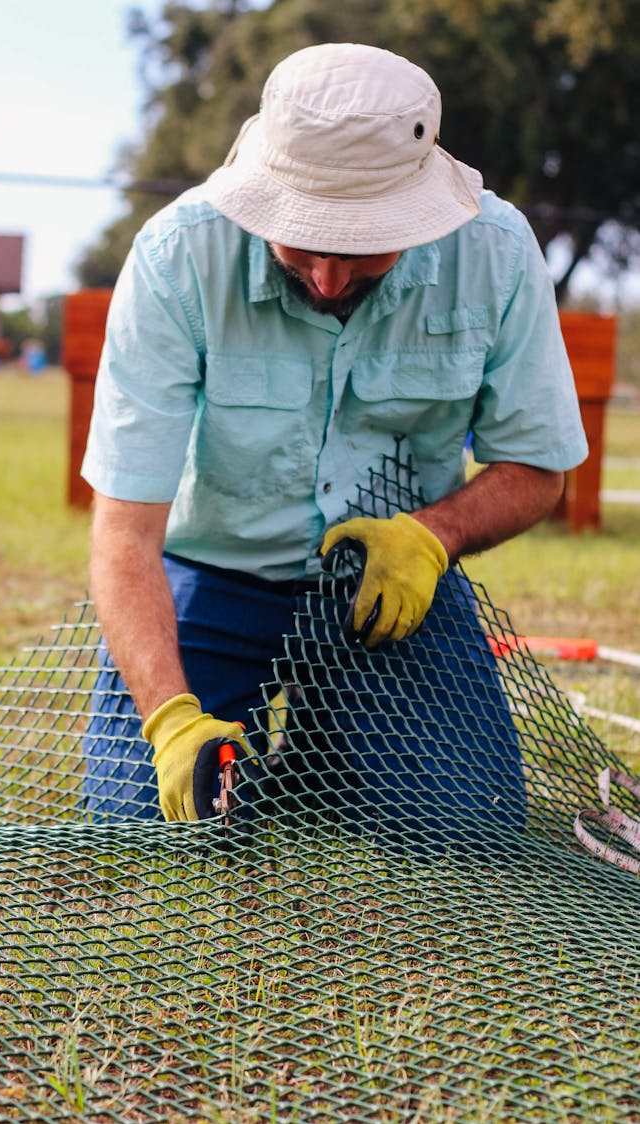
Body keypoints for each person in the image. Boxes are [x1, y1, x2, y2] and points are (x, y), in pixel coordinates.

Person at [80, 42, 588, 835]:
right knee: (144, 816)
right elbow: (124, 532)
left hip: (386, 588)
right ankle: (277, 744)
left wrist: (431, 537)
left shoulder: (497, 251)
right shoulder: (178, 256)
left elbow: (540, 468)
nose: (325, 277)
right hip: (211, 572)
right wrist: (173, 719)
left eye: (357, 247)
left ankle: (329, 736)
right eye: (303, 240)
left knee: (467, 825)